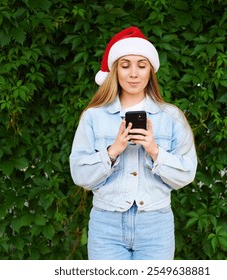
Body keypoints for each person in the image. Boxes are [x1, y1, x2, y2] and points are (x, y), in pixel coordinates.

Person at [69, 26, 197, 260]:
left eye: (142, 65)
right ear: (115, 71)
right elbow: (80, 175)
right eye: (125, 65)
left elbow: (187, 172)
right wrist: (112, 151)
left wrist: (155, 151)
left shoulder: (171, 116)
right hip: (106, 225)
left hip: (156, 226)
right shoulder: (93, 116)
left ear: (151, 71)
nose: (134, 73)